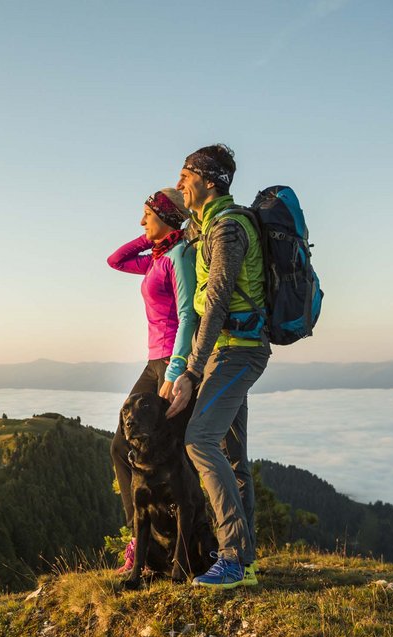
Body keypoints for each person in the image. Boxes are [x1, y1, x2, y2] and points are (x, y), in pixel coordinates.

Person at [167, 144, 269, 589]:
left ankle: (231, 555)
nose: (179, 183)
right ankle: (244, 560)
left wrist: (191, 372)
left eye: (185, 174)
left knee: (199, 440)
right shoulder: (208, 225)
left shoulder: (227, 229)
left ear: (209, 181)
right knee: (231, 454)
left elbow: (218, 302)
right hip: (231, 349)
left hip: (237, 350)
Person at [106, 187, 196, 572]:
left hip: (172, 362)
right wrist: (152, 235)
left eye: (147, 215)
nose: (141, 222)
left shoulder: (178, 256)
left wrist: (177, 372)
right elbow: (116, 260)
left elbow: (189, 315)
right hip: (152, 361)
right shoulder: (157, 257)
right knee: (120, 445)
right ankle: (137, 542)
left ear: (166, 216)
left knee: (179, 456)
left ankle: (189, 549)